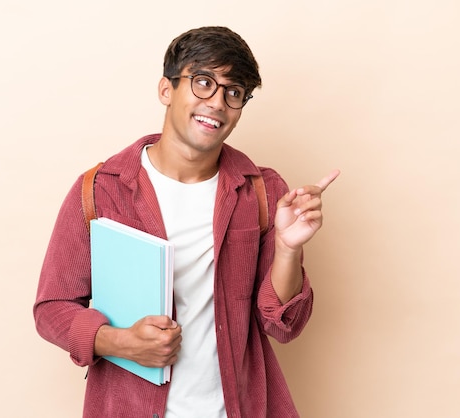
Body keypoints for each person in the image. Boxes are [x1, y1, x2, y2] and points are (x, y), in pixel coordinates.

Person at [34, 26, 339, 418]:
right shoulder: (99, 190)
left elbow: (282, 326)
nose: (217, 102)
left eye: (233, 92)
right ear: (166, 90)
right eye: (203, 83)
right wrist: (119, 342)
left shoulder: (261, 192)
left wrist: (288, 249)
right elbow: (52, 308)